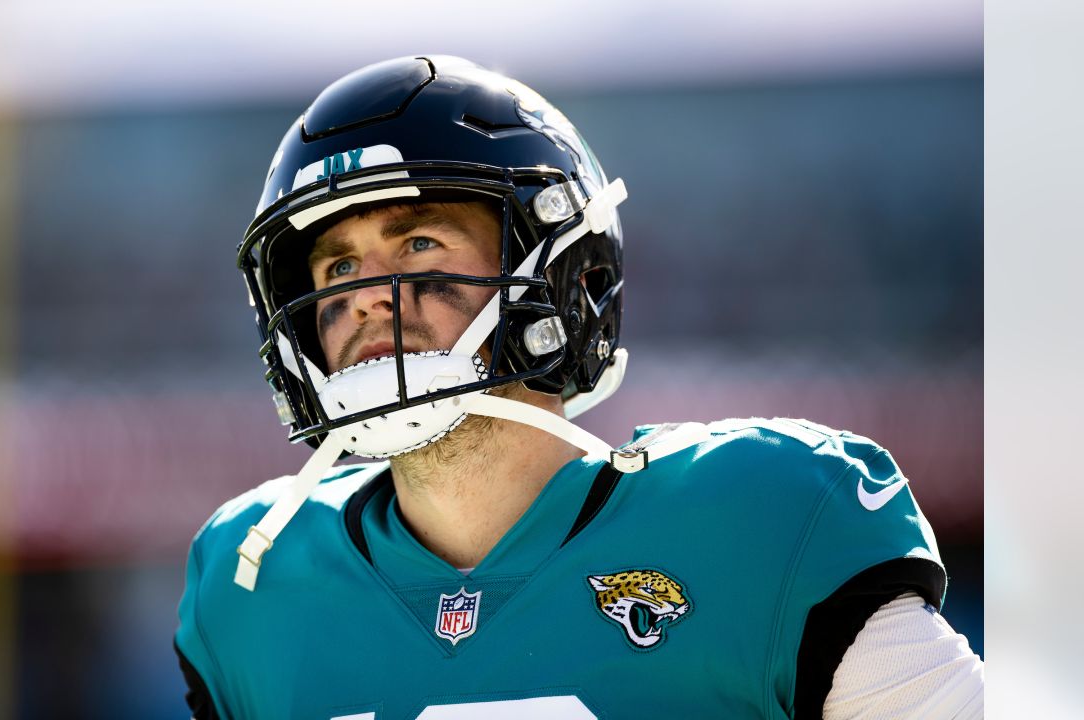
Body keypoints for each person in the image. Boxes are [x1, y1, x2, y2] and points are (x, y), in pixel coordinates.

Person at [175, 56, 983, 719]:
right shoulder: (251, 584)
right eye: (338, 265)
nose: (363, 297)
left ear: (563, 273)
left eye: (417, 242)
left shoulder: (761, 522)